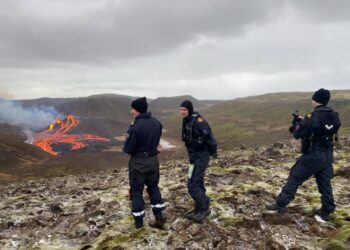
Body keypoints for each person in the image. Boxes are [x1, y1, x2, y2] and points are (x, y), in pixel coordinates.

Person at [266, 89, 341, 221]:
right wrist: (304, 122)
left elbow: (297, 134)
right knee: (325, 183)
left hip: (313, 155)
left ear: (315, 100)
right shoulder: (333, 115)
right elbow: (321, 129)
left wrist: (298, 124)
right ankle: (327, 210)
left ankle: (280, 205)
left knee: (295, 177)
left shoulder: (312, 116)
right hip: (328, 154)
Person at [123, 97, 166, 229]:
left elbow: (129, 149)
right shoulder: (157, 123)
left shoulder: (135, 127)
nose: (131, 111)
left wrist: (127, 140)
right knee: (153, 187)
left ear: (139, 110)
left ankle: (138, 223)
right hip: (153, 161)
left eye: (133, 109)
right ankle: (159, 216)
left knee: (136, 191)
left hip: (138, 164)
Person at [180, 100, 218, 223]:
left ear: (189, 110)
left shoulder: (198, 121)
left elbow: (209, 137)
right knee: (197, 181)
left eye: (184, 109)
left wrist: (213, 151)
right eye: (180, 109)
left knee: (192, 184)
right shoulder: (187, 120)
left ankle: (204, 207)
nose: (182, 112)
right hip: (193, 157)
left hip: (202, 155)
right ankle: (198, 208)